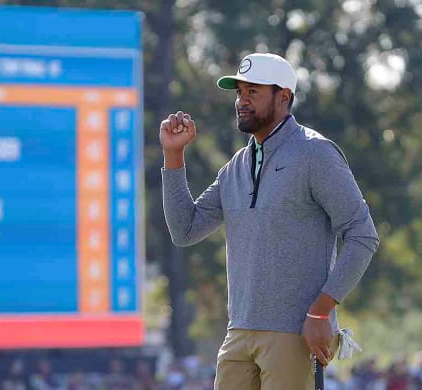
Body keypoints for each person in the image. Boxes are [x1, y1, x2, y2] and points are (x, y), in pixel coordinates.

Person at [160, 52, 380, 389]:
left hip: (294, 333)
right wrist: (174, 156)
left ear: (284, 97)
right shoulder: (235, 166)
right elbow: (184, 230)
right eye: (239, 93)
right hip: (239, 333)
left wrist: (321, 311)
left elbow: (362, 235)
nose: (242, 101)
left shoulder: (316, 154)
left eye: (253, 92)